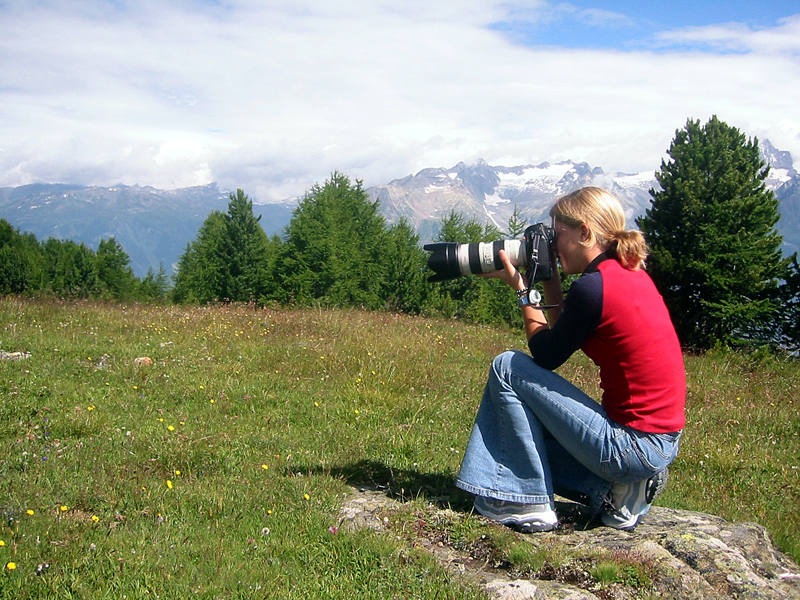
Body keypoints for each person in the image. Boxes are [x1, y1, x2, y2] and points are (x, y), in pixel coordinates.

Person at [455, 186, 686, 531]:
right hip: (657, 442)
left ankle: (527, 502)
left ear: (584, 232)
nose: (552, 246)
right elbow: (564, 332)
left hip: (630, 445)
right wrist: (548, 277)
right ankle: (616, 492)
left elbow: (546, 354)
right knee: (520, 427)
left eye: (557, 235)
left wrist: (522, 290)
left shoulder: (593, 288)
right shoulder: (626, 274)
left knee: (507, 367)